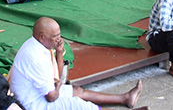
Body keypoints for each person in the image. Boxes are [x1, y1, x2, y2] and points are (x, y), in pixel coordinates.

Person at [9, 17, 143, 109]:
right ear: (42, 37)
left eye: (59, 35)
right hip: (32, 104)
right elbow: (52, 97)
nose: (58, 39)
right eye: (55, 36)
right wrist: (59, 85)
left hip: (41, 93)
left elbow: (57, 76)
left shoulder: (40, 45)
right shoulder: (34, 56)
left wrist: (60, 53)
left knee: (76, 90)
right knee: (80, 106)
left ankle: (125, 98)